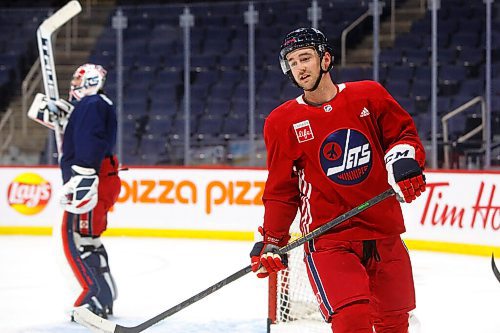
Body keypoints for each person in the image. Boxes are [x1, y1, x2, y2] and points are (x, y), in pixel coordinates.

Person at [250, 28, 426, 333]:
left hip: (384, 233)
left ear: (326, 59)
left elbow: (403, 136)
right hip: (330, 240)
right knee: (352, 321)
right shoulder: (282, 122)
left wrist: (403, 163)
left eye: (305, 58)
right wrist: (273, 241)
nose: (300, 67)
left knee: (394, 324)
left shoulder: (369, 95)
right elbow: (281, 191)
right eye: (292, 62)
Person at [57, 63, 121, 319]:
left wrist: (82, 173)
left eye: (78, 78)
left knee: (82, 241)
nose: (73, 83)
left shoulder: (92, 104)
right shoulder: (95, 104)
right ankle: (104, 298)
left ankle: (93, 298)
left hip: (91, 177)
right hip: (101, 176)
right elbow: (86, 135)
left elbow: (90, 139)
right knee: (90, 239)